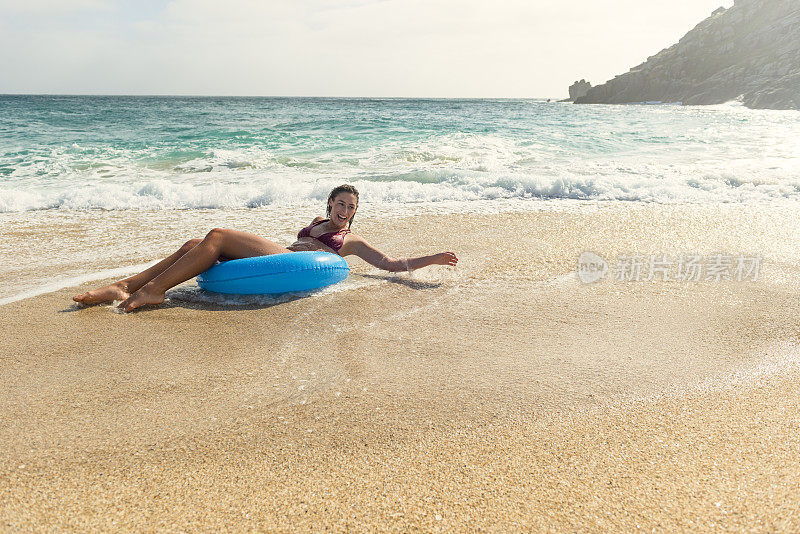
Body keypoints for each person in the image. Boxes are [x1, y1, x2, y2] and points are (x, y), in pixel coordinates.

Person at [72, 184, 458, 312]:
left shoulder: (350, 240)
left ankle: (153, 291)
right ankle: (126, 285)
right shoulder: (317, 224)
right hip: (282, 255)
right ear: (329, 205)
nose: (344, 211)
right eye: (340, 204)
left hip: (294, 262)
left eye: (351, 207)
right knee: (195, 244)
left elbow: (391, 263)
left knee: (218, 235)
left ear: (355, 214)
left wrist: (434, 259)